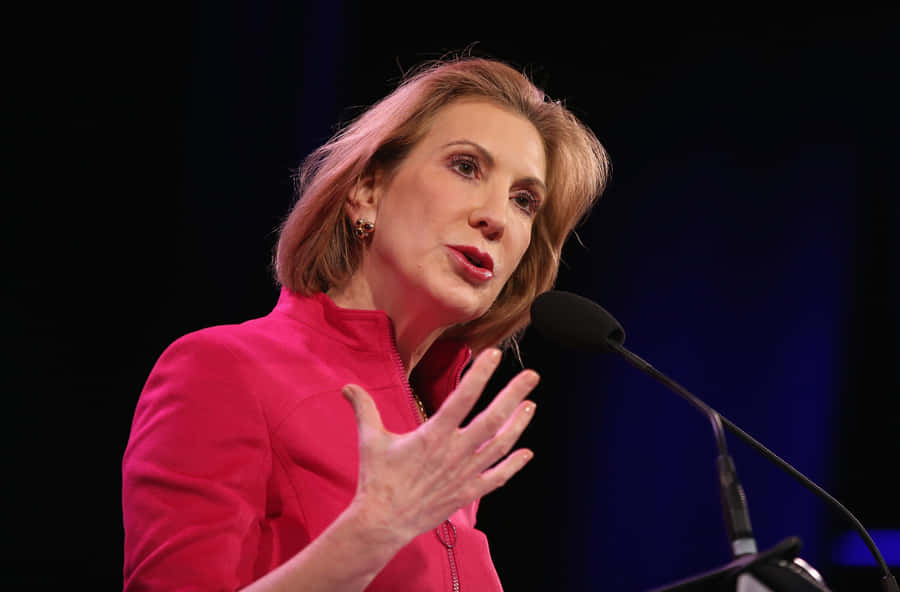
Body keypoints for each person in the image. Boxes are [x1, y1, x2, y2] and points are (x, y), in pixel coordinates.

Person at [122, 55, 610, 591]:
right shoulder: (224, 369)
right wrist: (370, 536)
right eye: (466, 166)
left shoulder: (440, 435)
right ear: (367, 190)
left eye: (524, 201)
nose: (496, 217)